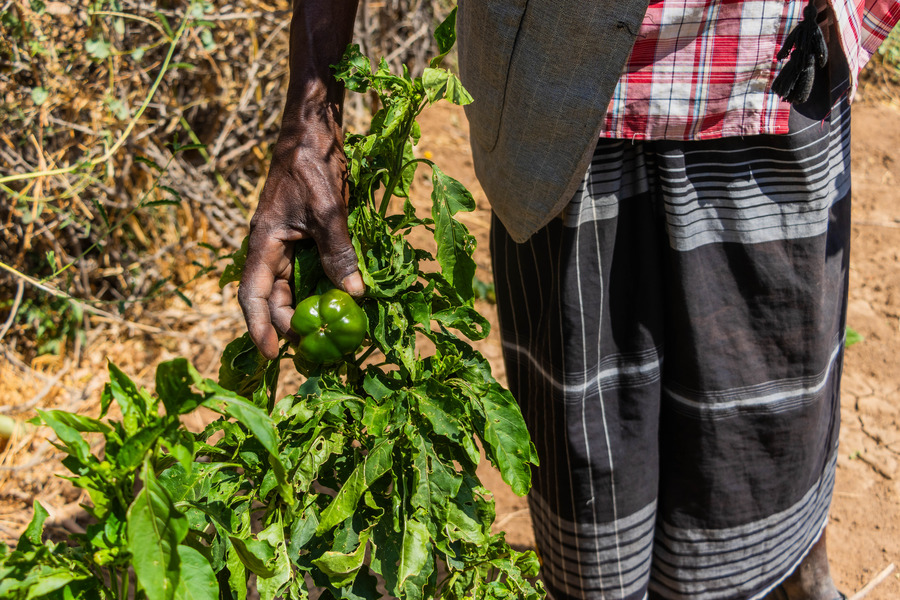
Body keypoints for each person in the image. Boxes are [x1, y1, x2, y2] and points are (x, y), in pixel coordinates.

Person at [237, 1, 899, 599]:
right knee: (593, 489)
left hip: (774, 66)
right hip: (560, 101)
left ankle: (794, 573)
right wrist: (309, 127)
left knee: (765, 435)